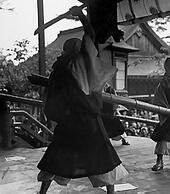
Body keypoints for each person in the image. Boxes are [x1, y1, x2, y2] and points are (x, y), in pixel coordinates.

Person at [37, 6, 128, 194]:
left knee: (59, 156)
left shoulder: (62, 67)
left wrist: (82, 17)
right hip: (86, 118)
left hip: (72, 119)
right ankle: (110, 191)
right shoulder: (79, 62)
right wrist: (82, 17)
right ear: (77, 49)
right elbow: (90, 34)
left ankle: (43, 192)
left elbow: (54, 94)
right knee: (101, 155)